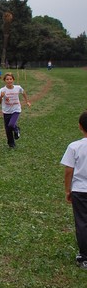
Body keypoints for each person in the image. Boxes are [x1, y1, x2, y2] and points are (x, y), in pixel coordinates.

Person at [61, 111, 87, 270]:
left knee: (82, 223)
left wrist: (67, 190)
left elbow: (68, 170)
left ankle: (84, 257)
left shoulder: (74, 146)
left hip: (79, 190)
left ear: (79, 126)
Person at [0, 72, 31, 149]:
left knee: (11, 125)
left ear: (13, 80)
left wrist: (27, 101)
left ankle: (16, 129)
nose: (9, 81)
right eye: (7, 79)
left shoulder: (18, 88)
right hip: (6, 111)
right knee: (8, 129)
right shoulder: (2, 90)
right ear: (4, 81)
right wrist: (1, 97)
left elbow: (23, 92)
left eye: (10, 79)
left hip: (16, 109)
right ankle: (11, 144)